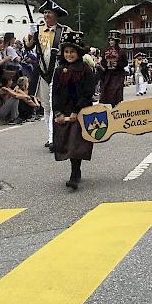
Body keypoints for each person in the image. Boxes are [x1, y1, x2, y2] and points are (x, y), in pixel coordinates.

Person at [24, 0, 71, 152]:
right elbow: (29, 45)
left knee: (55, 104)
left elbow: (71, 49)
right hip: (43, 72)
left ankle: (54, 138)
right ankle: (50, 136)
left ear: (55, 15)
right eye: (44, 12)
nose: (46, 15)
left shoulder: (64, 30)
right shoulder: (39, 31)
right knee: (46, 105)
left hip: (58, 71)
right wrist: (30, 34)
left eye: (49, 12)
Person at [51, 31, 95, 190]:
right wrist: (58, 112)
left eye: (73, 52)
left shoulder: (85, 70)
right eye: (66, 52)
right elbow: (55, 92)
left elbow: (87, 92)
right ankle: (74, 169)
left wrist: (77, 110)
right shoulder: (59, 70)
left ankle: (75, 173)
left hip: (80, 110)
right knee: (66, 141)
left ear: (79, 52)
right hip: (64, 110)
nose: (69, 54)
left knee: (77, 142)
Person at [99, 30, 128, 106]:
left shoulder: (121, 51)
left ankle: (117, 106)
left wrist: (117, 64)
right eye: (110, 40)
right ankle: (111, 106)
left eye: (112, 40)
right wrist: (107, 64)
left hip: (118, 74)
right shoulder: (105, 51)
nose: (110, 42)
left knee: (117, 90)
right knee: (108, 90)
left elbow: (125, 63)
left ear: (116, 41)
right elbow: (103, 62)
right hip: (108, 74)